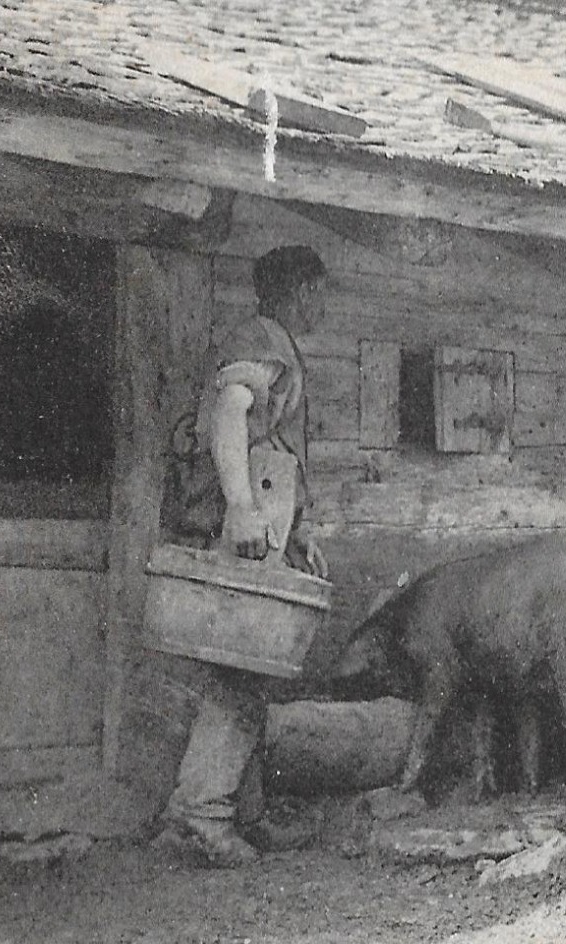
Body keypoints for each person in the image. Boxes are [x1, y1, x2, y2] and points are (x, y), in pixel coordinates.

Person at [151, 245, 330, 866]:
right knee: (239, 672)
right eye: (318, 291)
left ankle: (245, 815)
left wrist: (296, 528)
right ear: (299, 289)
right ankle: (199, 817)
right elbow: (231, 414)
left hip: (269, 520)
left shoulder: (274, 341)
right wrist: (241, 505)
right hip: (248, 523)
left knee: (252, 671)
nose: (322, 305)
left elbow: (273, 445)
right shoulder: (262, 339)